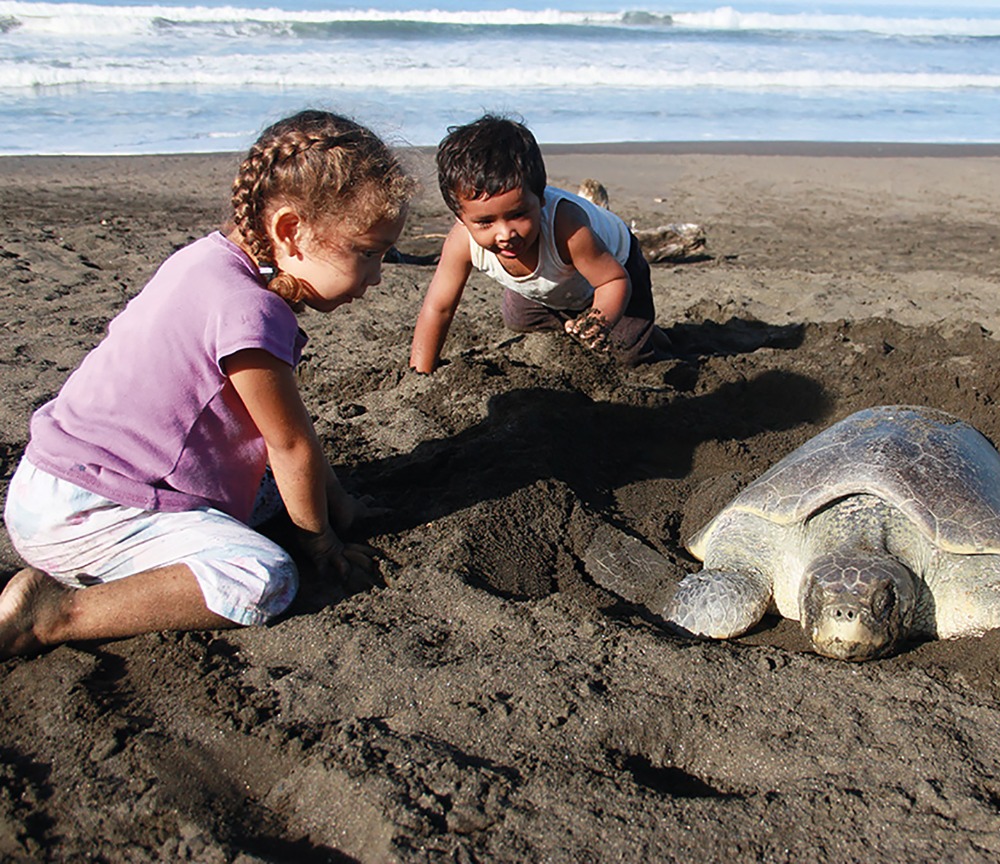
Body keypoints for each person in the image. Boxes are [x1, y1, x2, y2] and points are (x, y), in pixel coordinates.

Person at [0, 110, 414, 658]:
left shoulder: (204, 260)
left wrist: (335, 498)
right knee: (265, 577)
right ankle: (56, 613)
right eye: (368, 253)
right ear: (290, 231)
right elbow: (288, 446)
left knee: (276, 493)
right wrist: (321, 540)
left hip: (47, 482)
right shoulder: (251, 312)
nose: (378, 276)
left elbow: (288, 441)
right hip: (89, 513)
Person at [410, 114, 668, 373]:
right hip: (558, 287)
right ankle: (581, 321)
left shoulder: (567, 227)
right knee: (518, 317)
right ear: (461, 218)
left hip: (615, 269)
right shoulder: (461, 241)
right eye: (485, 222)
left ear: (541, 198)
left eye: (518, 215)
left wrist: (598, 322)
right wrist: (420, 373)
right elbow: (438, 308)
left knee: (628, 352)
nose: (505, 234)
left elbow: (613, 281)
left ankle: (644, 329)